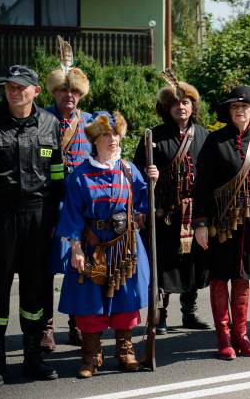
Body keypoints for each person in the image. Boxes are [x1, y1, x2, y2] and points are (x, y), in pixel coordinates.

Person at [57, 112, 154, 378]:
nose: (112, 139)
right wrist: (75, 249)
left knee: (126, 299)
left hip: (125, 246)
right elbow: (72, 213)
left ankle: (126, 351)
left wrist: (152, 183)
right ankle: (91, 356)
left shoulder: (128, 169)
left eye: (115, 134)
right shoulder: (80, 174)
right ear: (95, 140)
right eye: (105, 135)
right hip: (92, 247)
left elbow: (144, 201)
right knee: (89, 302)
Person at [193, 86, 250, 359]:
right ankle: (224, 337)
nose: (240, 110)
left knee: (242, 279)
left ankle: (241, 335)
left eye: (245, 107)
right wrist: (200, 223)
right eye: (234, 107)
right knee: (219, 278)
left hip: (249, 220)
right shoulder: (214, 142)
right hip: (220, 220)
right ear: (229, 112)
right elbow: (201, 186)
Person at [0, 65, 64, 386]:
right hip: (1, 217)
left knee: (35, 290)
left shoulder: (51, 124)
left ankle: (32, 358)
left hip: (39, 218)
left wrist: (60, 219)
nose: (14, 91)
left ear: (36, 91)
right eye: (9, 86)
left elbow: (57, 175)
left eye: (21, 86)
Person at [133, 81, 210, 335]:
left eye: (185, 102)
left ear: (193, 106)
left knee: (193, 263)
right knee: (164, 264)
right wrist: (148, 175)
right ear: (166, 108)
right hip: (164, 213)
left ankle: (189, 312)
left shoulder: (204, 136)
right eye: (175, 103)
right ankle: (161, 314)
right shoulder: (152, 137)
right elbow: (136, 176)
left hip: (194, 213)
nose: (181, 107)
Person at [41, 59, 94, 351]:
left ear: (81, 95)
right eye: (63, 91)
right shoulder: (41, 119)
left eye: (73, 91)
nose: (68, 96)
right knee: (46, 270)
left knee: (80, 267)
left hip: (81, 208)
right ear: (53, 93)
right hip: (48, 205)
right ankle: (46, 329)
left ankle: (77, 324)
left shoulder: (91, 123)